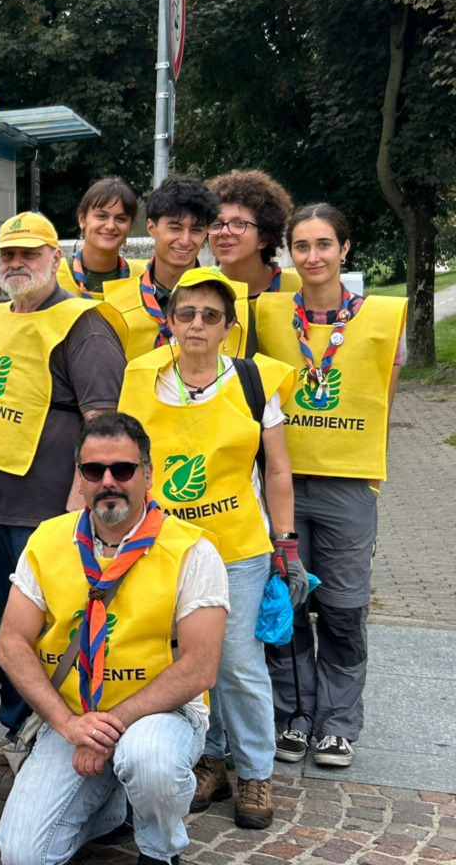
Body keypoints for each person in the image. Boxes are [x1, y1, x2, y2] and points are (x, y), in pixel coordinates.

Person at [0, 413, 229, 865]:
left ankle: (160, 851)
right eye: (93, 470)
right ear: (79, 478)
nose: (108, 482)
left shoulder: (193, 550)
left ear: (147, 474)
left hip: (163, 716)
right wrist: (68, 725)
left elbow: (200, 668)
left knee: (148, 759)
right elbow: (11, 643)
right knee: (23, 856)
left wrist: (109, 726)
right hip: (74, 716)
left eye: (122, 469)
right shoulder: (47, 540)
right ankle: (111, 805)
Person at [118, 267, 305, 829]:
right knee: (186, 658)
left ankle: (256, 772)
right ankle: (213, 758)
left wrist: (285, 542)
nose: (196, 324)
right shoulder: (142, 378)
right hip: (167, 547)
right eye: (186, 313)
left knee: (239, 662)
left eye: (210, 315)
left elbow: (277, 469)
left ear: (228, 326)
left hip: (238, 546)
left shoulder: (253, 381)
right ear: (170, 321)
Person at [0, 211, 126, 765]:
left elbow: (103, 423)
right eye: (7, 254)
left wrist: (81, 502)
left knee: (49, 631)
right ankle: (16, 728)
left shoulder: (84, 323)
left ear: (56, 257)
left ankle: (55, 731)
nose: (16, 263)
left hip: (48, 507)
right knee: (2, 625)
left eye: (29, 253)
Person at [256, 204, 406, 768]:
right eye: (302, 245)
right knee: (288, 602)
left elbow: (383, 403)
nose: (313, 256)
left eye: (324, 244)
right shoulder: (268, 313)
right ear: (289, 252)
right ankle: (293, 714)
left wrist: (368, 477)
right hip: (283, 482)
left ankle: (338, 723)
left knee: (343, 610)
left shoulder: (382, 317)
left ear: (344, 249)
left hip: (347, 486)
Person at [104, 176, 236, 360]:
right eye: (175, 228)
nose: (185, 240)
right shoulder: (114, 304)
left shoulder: (230, 302)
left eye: (196, 230)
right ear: (151, 228)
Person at [206, 169, 301, 299]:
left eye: (239, 224)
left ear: (263, 238)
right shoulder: (196, 289)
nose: (224, 232)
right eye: (217, 224)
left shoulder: (300, 288)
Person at [56, 177, 146, 298]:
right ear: (82, 219)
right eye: (102, 216)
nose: (110, 226)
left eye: (121, 219)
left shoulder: (143, 279)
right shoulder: (53, 277)